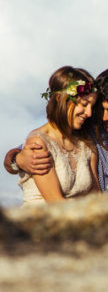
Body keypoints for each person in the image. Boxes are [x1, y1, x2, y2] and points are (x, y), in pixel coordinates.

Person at [15, 66, 100, 205]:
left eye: (92, 106)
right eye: (84, 104)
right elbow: (56, 203)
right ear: (61, 99)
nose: (89, 113)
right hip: (45, 221)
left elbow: (96, 195)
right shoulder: (39, 143)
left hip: (82, 219)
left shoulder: (86, 143)